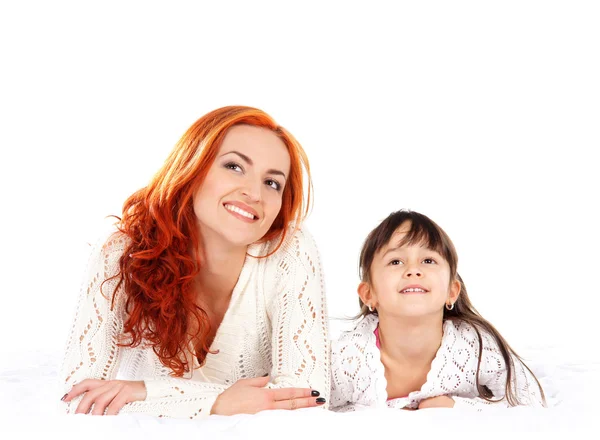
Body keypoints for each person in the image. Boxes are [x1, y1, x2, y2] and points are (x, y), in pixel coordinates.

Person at [59, 105, 330, 418]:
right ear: (193, 168)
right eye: (235, 166)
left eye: (272, 183)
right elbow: (76, 397)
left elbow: (309, 396)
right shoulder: (124, 250)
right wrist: (219, 402)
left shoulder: (289, 249)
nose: (254, 193)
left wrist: (145, 391)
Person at [330, 209, 546, 411]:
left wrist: (452, 406)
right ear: (369, 294)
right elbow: (314, 408)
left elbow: (529, 401)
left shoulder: (474, 346)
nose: (413, 270)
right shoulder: (348, 358)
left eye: (428, 260)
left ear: (452, 291)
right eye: (395, 261)